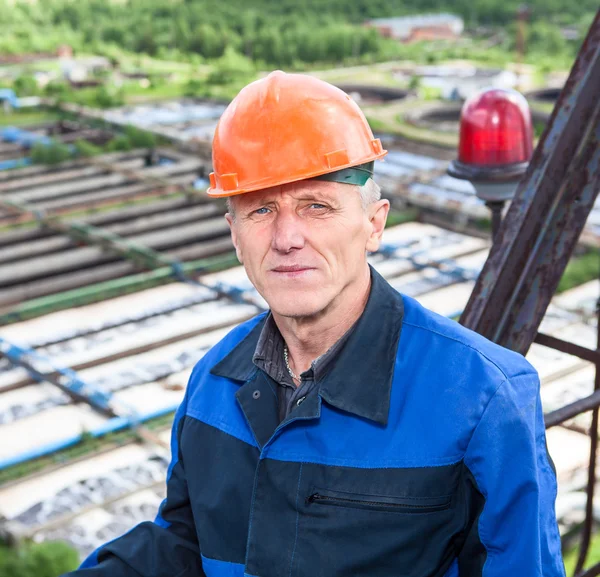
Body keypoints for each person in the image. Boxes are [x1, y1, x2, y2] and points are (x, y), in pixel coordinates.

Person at [65, 71, 565, 577]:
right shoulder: (213, 381)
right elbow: (185, 545)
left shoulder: (483, 398)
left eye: (316, 206)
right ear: (235, 236)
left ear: (374, 224)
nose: (286, 238)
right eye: (260, 210)